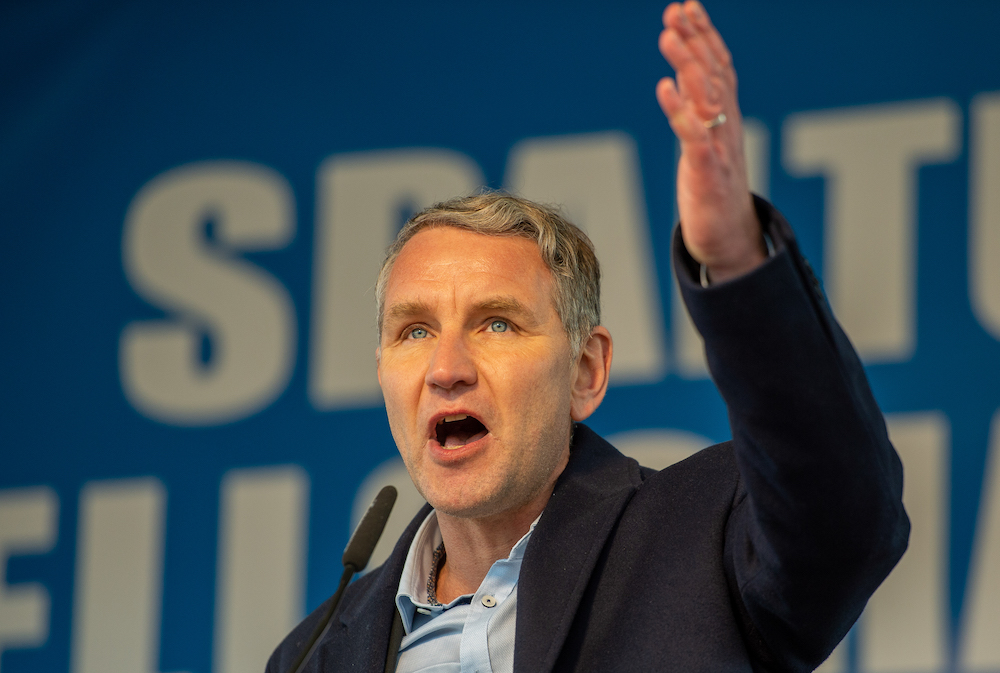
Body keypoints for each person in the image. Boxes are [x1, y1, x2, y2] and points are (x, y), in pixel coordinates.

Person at [268, 2, 908, 671]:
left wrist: (738, 258)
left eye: (496, 323)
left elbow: (847, 515)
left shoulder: (701, 540)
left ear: (586, 371)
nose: (446, 367)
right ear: (382, 369)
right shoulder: (314, 653)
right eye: (415, 329)